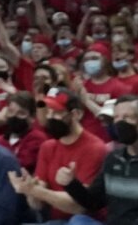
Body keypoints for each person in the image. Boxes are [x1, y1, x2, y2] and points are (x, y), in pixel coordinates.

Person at [10, 98, 138, 225]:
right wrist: (71, 184)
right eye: (117, 118)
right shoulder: (114, 157)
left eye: (128, 117)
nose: (120, 123)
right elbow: (93, 202)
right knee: (78, 221)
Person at [28, 89, 112, 220]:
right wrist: (29, 190)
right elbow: (37, 204)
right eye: (48, 112)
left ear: (75, 114)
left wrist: (37, 192)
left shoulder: (95, 148)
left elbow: (79, 206)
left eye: (56, 112)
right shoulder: (47, 147)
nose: (50, 117)